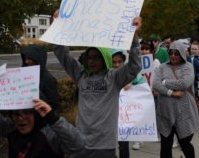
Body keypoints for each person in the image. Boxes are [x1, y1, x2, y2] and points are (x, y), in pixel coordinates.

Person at [53, 15, 142, 158]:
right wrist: (57, 26)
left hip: (104, 144)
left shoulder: (114, 77)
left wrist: (134, 38)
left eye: (96, 57)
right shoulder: (81, 75)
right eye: (89, 57)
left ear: (105, 58)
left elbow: (134, 66)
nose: (92, 61)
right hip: (81, 141)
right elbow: (62, 54)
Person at [152, 40, 199, 158]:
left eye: (176, 53)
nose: (173, 56)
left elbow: (184, 83)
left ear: (182, 54)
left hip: (183, 111)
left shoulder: (188, 67)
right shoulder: (162, 67)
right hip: (165, 112)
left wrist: (165, 82)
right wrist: (171, 92)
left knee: (185, 143)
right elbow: (155, 84)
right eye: (171, 53)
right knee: (165, 146)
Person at [0, 99, 84, 158]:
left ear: (37, 113)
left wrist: (52, 118)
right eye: (16, 113)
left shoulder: (50, 134)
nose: (20, 118)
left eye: (27, 112)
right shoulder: (12, 128)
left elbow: (78, 145)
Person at [111, 50, 145, 158]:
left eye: (119, 62)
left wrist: (132, 83)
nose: (117, 65)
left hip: (124, 116)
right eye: (114, 62)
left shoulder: (129, 72)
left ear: (123, 61)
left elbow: (142, 81)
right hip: (109, 116)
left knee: (123, 143)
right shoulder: (106, 73)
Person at [21, 44, 59, 110]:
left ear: (38, 59)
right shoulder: (22, 76)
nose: (26, 62)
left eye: (30, 59)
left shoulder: (49, 80)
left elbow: (53, 105)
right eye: (25, 58)